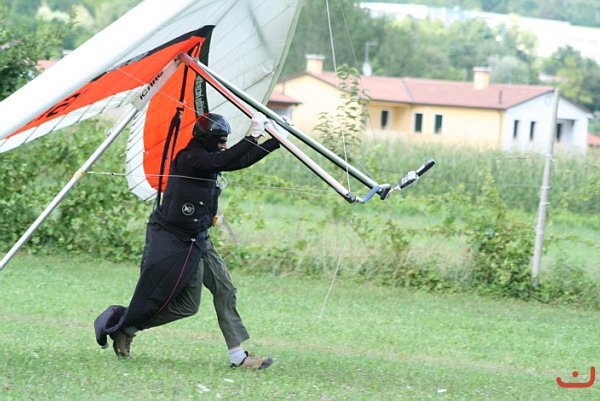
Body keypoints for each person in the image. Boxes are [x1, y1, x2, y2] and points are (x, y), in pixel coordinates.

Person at [94, 112, 286, 369]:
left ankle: (238, 357)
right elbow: (224, 159)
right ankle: (126, 327)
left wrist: (274, 141)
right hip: (179, 241)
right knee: (188, 306)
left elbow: (236, 160)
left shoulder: (210, 158)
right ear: (208, 139)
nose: (224, 145)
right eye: (221, 141)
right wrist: (253, 135)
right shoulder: (190, 158)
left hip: (200, 237)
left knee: (225, 289)